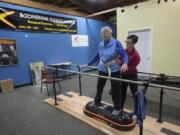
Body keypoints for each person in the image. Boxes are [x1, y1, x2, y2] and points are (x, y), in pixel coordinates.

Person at [87, 26, 128, 116]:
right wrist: (88, 63)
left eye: (105, 32)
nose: (103, 34)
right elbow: (97, 56)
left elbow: (124, 54)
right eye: (102, 33)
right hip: (102, 69)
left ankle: (117, 108)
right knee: (99, 87)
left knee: (115, 90)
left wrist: (125, 63)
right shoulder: (101, 44)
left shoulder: (116, 43)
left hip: (114, 70)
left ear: (110, 33)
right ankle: (97, 102)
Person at [119, 35, 141, 111]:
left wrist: (120, 63)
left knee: (135, 94)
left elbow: (131, 69)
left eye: (129, 43)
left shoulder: (136, 56)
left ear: (133, 44)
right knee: (121, 93)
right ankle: (120, 108)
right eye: (126, 42)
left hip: (132, 76)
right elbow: (119, 60)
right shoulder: (124, 51)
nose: (127, 44)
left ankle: (138, 111)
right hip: (123, 75)